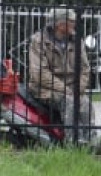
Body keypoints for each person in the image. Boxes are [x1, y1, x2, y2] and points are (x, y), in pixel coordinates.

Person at [27, 7, 91, 143]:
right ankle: (72, 142)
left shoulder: (77, 41)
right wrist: (65, 89)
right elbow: (40, 73)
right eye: (71, 20)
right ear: (60, 24)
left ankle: (89, 140)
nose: (74, 23)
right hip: (45, 89)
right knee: (69, 102)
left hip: (72, 89)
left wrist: (78, 89)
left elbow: (85, 69)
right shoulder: (39, 41)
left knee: (86, 103)